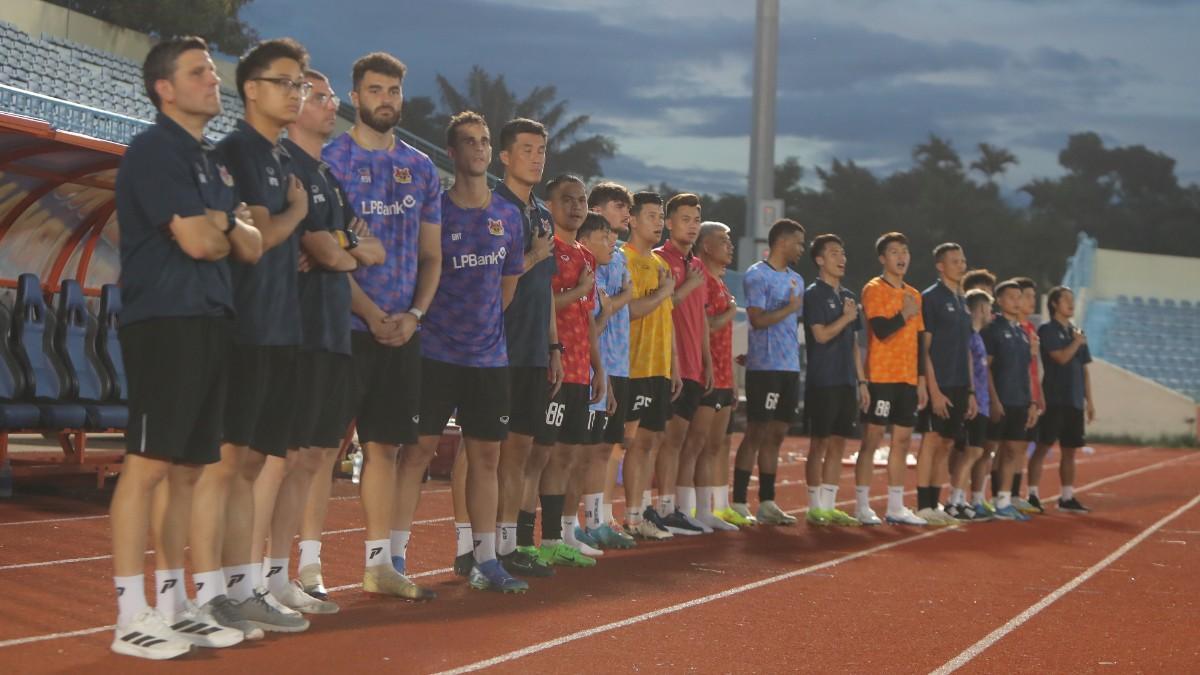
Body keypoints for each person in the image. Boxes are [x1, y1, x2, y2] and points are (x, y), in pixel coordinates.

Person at [110, 35, 262, 659]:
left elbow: (251, 244)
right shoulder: (154, 150)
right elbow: (204, 242)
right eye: (198, 72)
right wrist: (224, 224)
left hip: (210, 319)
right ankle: (130, 615)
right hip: (165, 319)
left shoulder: (212, 162)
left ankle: (173, 604)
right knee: (148, 464)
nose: (213, 80)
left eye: (211, 71)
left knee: (188, 470)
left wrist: (219, 224)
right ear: (164, 88)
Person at [322, 51, 441, 599]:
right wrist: (370, 314)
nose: (385, 99)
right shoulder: (332, 161)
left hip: (403, 332)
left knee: (386, 449)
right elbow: (324, 251)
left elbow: (432, 256)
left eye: (393, 90)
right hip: (344, 326)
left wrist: (414, 316)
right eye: (375, 90)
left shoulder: (421, 168)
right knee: (320, 451)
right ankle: (306, 569)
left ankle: (378, 564)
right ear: (355, 97)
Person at [205, 37, 312, 633]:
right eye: (285, 83)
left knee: (251, 465)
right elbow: (261, 238)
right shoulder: (238, 151)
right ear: (251, 88)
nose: (295, 94)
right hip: (243, 327)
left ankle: (243, 587)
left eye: (300, 84)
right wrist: (295, 217)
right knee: (228, 465)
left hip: (280, 327)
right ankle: (213, 592)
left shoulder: (282, 157)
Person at [278, 69, 384, 611]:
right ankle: (261, 574)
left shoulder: (326, 176)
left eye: (329, 96)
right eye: (319, 97)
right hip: (295, 330)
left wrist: (336, 245)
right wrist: (341, 247)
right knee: (284, 459)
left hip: (332, 330)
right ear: (294, 104)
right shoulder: (283, 165)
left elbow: (370, 250)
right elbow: (325, 249)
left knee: (315, 455)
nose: (330, 104)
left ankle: (283, 574)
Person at [424, 111, 529, 593]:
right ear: (452, 152)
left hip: (488, 358)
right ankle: (392, 558)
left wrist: (480, 331)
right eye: (469, 141)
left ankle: (486, 559)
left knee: (487, 458)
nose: (480, 148)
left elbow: (507, 289)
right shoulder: (437, 210)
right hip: (434, 353)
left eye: (484, 140)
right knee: (416, 454)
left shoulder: (509, 216)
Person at [520, 175, 602, 567]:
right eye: (567, 200)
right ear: (549, 206)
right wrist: (579, 292)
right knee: (537, 456)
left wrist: (598, 369)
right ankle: (522, 541)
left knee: (566, 456)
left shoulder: (586, 256)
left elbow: (588, 317)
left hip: (580, 372)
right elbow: (543, 303)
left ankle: (552, 539)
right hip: (552, 367)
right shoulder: (546, 249)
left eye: (581, 200)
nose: (576, 207)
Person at [493, 118, 559, 577]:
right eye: (527, 149)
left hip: (534, 347)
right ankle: (473, 545)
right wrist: (533, 254)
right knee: (482, 453)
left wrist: (554, 345)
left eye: (541, 150)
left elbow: (546, 289)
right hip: (495, 345)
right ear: (505, 156)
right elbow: (494, 279)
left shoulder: (542, 215)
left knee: (519, 450)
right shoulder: (495, 207)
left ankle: (507, 543)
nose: (536, 158)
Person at [732, 218, 807, 526]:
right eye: (798, 243)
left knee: (777, 434)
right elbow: (758, 320)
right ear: (782, 242)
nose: (802, 249)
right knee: (756, 432)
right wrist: (789, 307)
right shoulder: (757, 275)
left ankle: (767, 501)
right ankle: (739, 501)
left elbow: (791, 326)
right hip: (765, 367)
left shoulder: (797, 280)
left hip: (789, 366)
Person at [855, 232, 928, 526]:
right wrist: (904, 313)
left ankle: (896, 506)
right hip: (881, 375)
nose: (901, 257)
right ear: (883, 258)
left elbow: (920, 341)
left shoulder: (914, 294)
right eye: (894, 252)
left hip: (908, 378)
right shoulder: (874, 289)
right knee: (872, 439)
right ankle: (862, 505)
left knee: (903, 441)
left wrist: (921, 379)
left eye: (905, 251)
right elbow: (882, 330)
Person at [579, 183, 637, 549]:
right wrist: (621, 299)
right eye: (618, 206)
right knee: (583, 448)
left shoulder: (619, 257)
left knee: (606, 447)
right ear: (596, 210)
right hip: (592, 362)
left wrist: (618, 300)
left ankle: (598, 520)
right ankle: (572, 525)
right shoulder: (590, 257)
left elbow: (617, 301)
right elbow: (597, 309)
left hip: (618, 361)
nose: (626, 214)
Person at [622, 191, 679, 539]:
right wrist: (661, 293)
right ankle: (626, 516)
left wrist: (673, 366)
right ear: (632, 219)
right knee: (631, 443)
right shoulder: (624, 259)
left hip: (658, 367)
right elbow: (629, 311)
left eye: (661, 217)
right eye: (651, 216)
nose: (658, 223)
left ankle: (638, 512)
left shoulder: (661, 265)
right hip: (634, 365)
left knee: (651, 441)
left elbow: (666, 319)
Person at [656, 193, 713, 535]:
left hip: (693, 364)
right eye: (685, 219)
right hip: (669, 362)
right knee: (667, 440)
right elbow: (663, 305)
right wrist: (689, 283)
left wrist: (707, 362)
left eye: (696, 220)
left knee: (682, 441)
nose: (692, 226)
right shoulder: (660, 259)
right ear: (669, 223)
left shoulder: (699, 266)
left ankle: (676, 507)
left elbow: (702, 319)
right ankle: (662, 508)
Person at [801, 234, 867, 527]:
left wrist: (862, 382)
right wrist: (845, 318)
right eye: (833, 253)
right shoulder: (814, 294)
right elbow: (820, 335)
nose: (841, 259)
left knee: (840, 442)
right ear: (819, 260)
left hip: (846, 380)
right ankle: (814, 505)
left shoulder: (849, 296)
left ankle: (829, 504)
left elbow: (853, 344)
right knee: (820, 442)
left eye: (842, 253)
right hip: (823, 379)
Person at [913, 243, 975, 526]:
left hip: (960, 383)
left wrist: (971, 391)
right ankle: (922, 505)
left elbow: (967, 350)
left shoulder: (963, 300)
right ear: (940, 266)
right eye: (955, 261)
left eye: (962, 260)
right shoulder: (931, 298)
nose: (961, 265)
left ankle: (934, 503)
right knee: (932, 440)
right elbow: (924, 349)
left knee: (947, 443)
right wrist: (934, 390)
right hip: (939, 382)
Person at [1028, 286, 1095, 513]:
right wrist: (1076, 342)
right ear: (1054, 303)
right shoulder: (1047, 330)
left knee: (1070, 450)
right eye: (1066, 299)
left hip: (1074, 400)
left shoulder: (1077, 332)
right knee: (1042, 446)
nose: (1071, 303)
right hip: (1054, 398)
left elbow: (1084, 369)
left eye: (1072, 299)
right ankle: (1032, 495)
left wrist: (1089, 401)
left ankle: (1067, 497)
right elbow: (1060, 358)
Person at [694, 222, 741, 531]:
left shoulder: (721, 282)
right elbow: (708, 326)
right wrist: (731, 312)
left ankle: (708, 508)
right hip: (705, 372)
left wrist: (733, 379)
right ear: (707, 246)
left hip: (724, 374)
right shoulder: (704, 281)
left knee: (716, 446)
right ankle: (692, 507)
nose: (730, 246)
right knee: (697, 444)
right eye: (723, 241)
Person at [981, 280, 1038, 521]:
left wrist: (1032, 402)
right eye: (1012, 297)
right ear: (1000, 300)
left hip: (1019, 401)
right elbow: (986, 368)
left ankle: (1003, 501)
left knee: (1013, 451)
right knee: (987, 451)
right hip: (1000, 400)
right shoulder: (992, 330)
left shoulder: (1023, 333)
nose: (1017, 301)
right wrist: (994, 400)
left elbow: (1027, 371)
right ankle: (976, 499)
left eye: (1019, 297)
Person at [945, 289, 995, 521]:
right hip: (973, 401)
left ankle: (959, 499)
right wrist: (970, 394)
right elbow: (967, 369)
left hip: (982, 402)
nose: (991, 313)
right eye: (989, 308)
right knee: (971, 451)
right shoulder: (967, 337)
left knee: (974, 451)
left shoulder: (977, 336)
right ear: (981, 309)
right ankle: (953, 501)